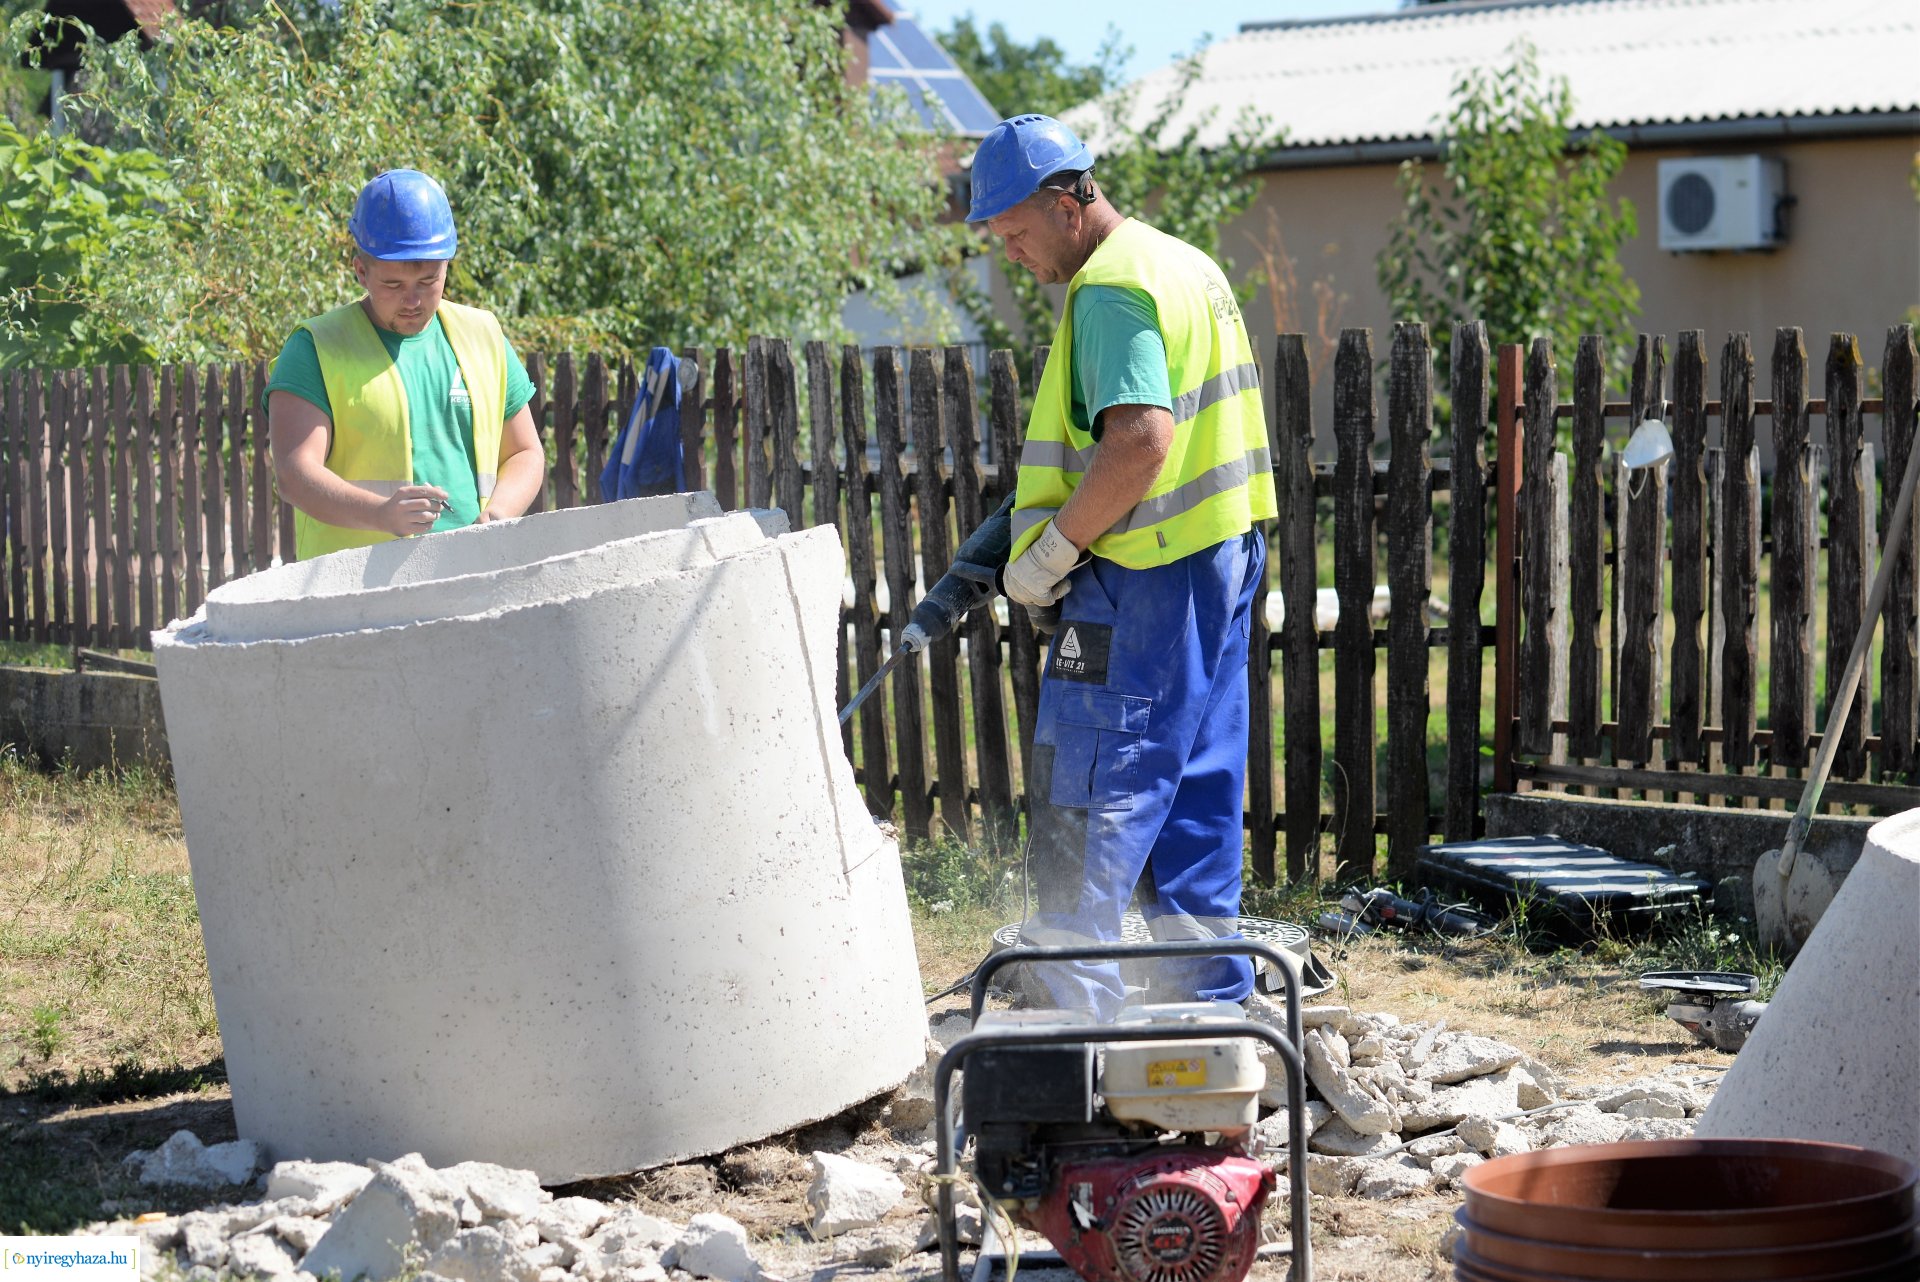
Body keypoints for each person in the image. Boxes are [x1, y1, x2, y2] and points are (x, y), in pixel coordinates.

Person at [972, 115, 1277, 1019]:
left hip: (1141, 571)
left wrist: (1055, 549)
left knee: (1091, 792)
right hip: (1218, 557)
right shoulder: (1183, 262)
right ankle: (1209, 1013)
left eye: (1017, 232)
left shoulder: (1108, 289)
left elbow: (1141, 441)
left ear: (1068, 205)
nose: (1012, 255)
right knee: (1196, 794)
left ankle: (1078, 1025)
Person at [268, 169, 544, 560]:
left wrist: (499, 514)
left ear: (446, 266)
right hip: (354, 585)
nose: (412, 301)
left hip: (471, 569)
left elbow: (525, 453)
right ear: (361, 271)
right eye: (393, 285)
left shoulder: (483, 335)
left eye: (428, 282)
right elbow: (294, 475)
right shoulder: (315, 348)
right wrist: (380, 515)